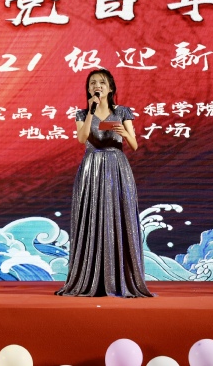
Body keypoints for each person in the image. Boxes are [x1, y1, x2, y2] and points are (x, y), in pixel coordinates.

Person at [56, 68, 153, 298]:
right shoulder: (82, 113)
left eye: (101, 82)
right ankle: (88, 278)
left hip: (116, 167)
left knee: (118, 217)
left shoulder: (122, 112)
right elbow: (82, 138)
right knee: (91, 217)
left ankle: (120, 279)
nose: (96, 86)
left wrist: (124, 133)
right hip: (91, 168)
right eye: (92, 83)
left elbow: (134, 145)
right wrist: (91, 112)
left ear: (110, 88)